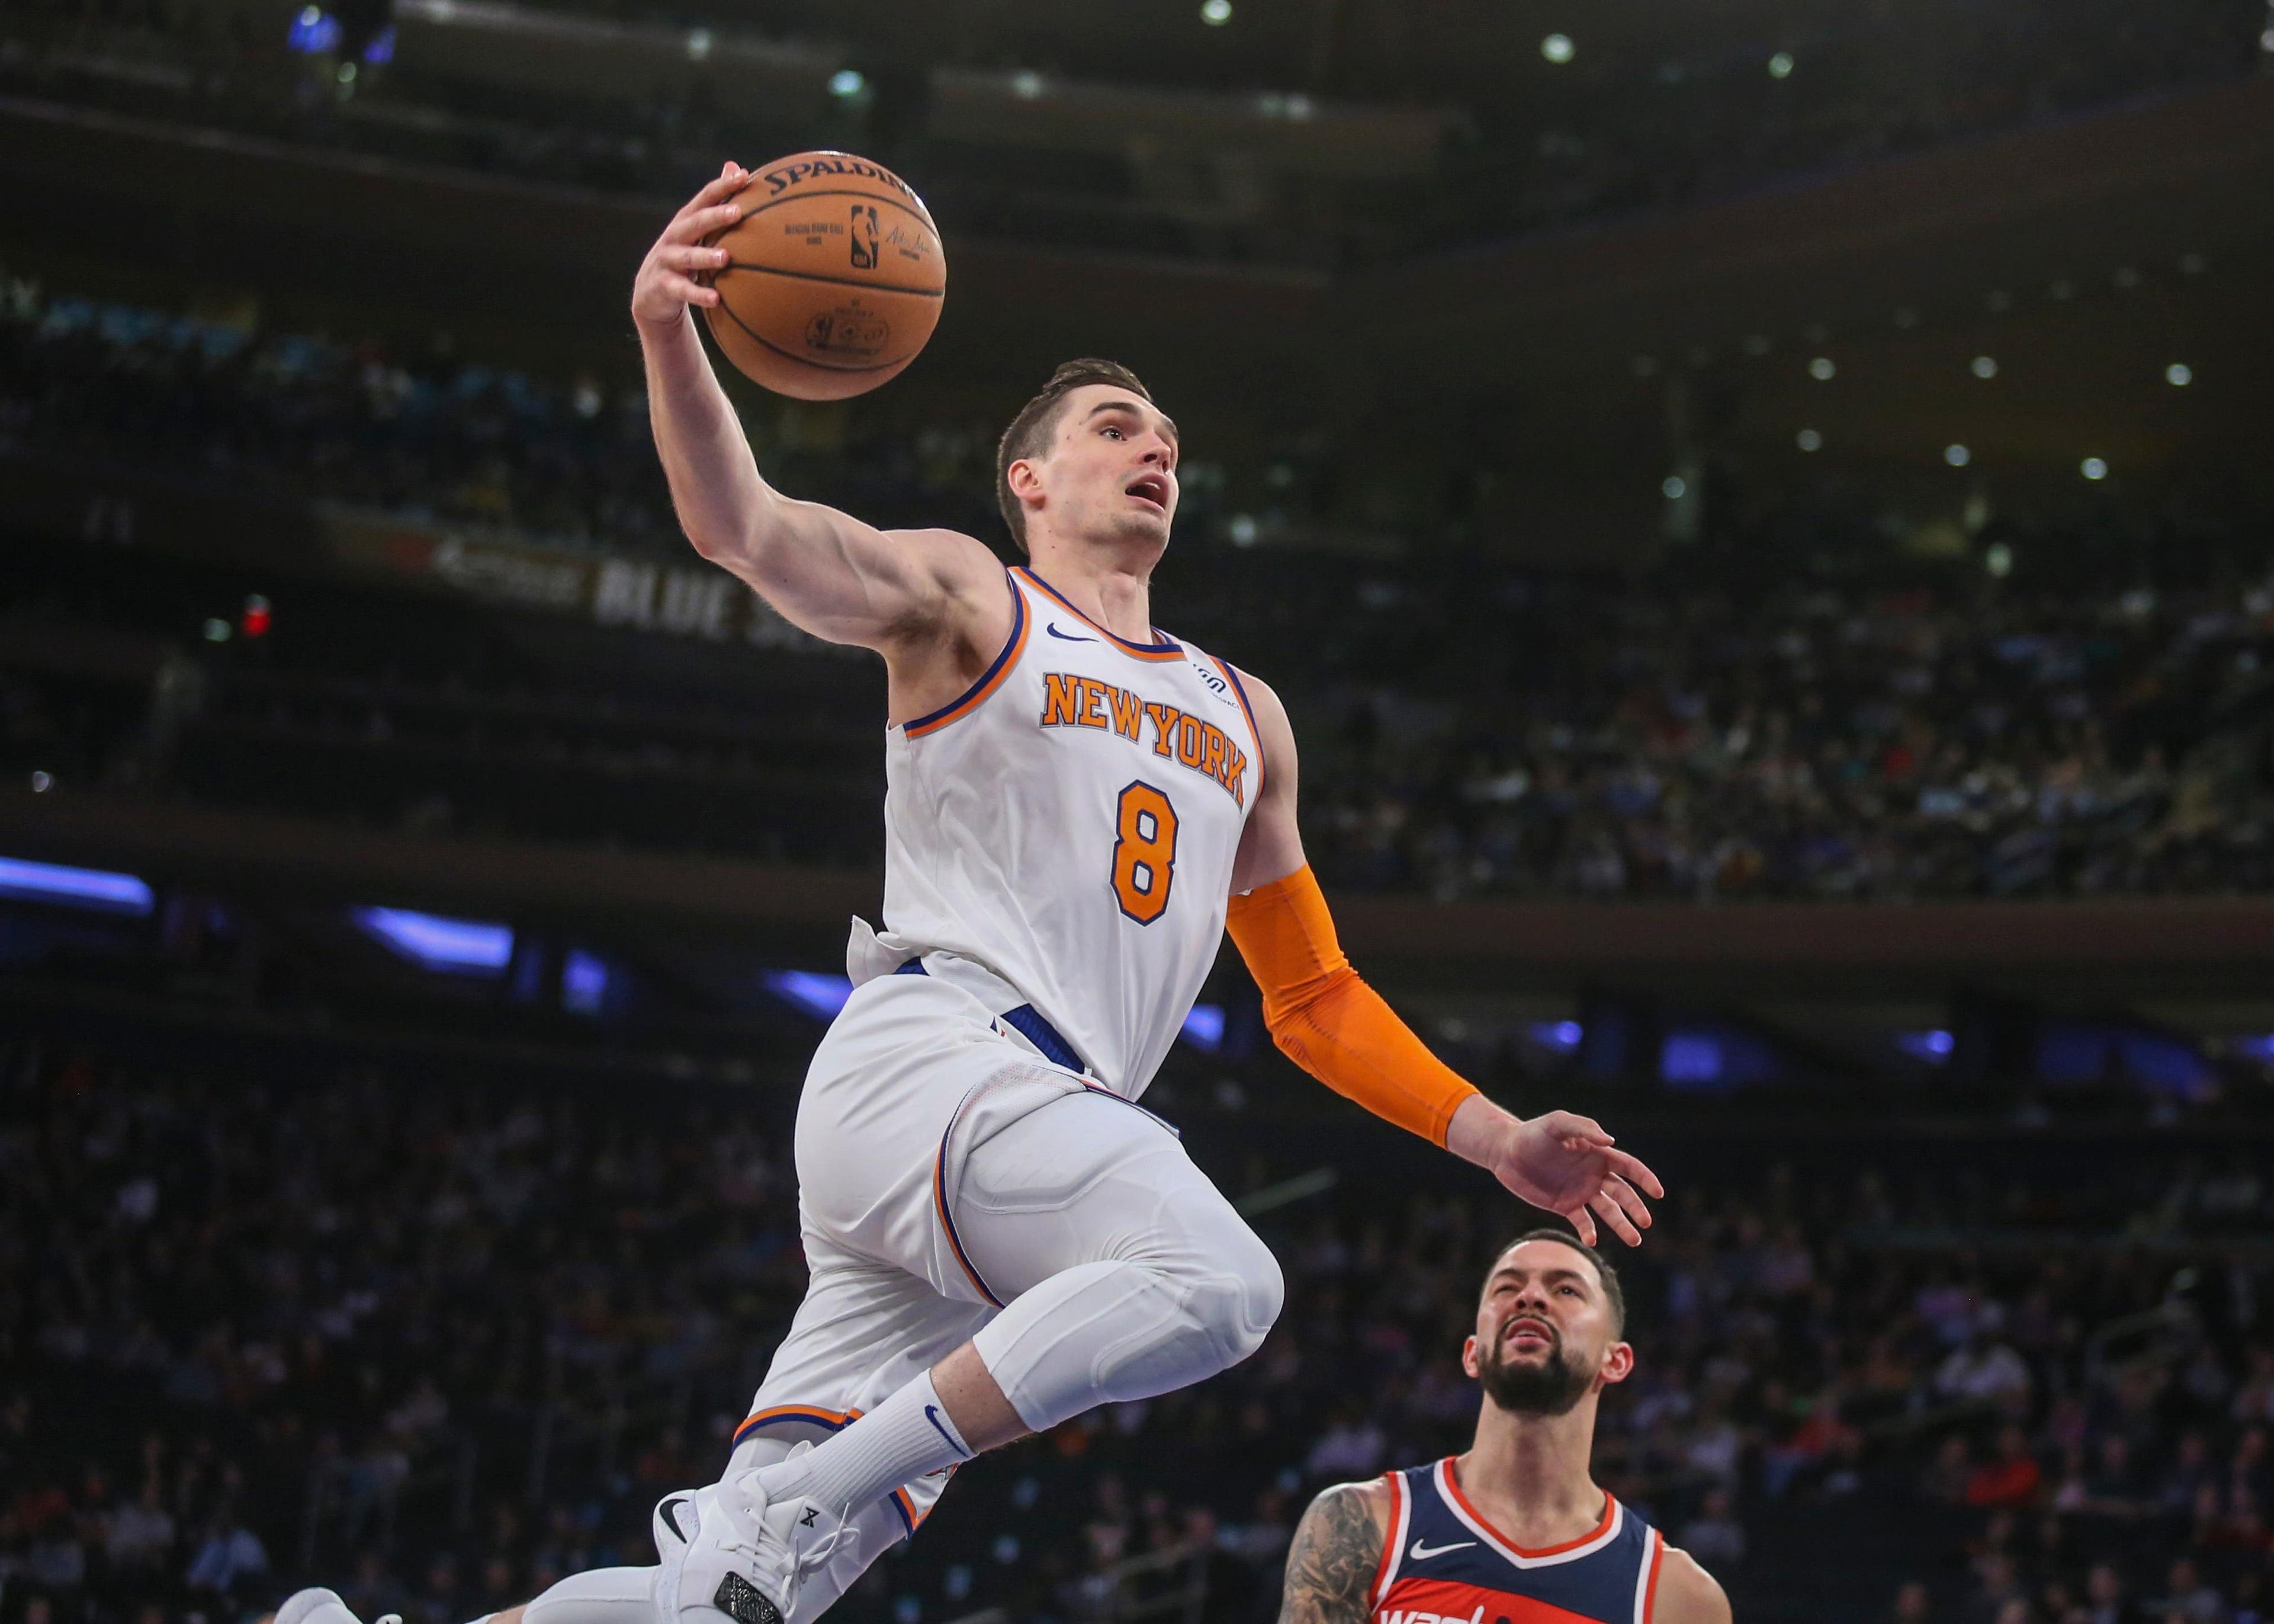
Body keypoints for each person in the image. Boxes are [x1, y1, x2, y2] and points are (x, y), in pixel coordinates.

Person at [279, 162, 1662, 1624]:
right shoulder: (973, 598)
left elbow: (1310, 995)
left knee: (723, 1603)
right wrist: (667, 333)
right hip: (940, 1061)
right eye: (1115, 427)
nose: (1155, 451)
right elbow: (740, 526)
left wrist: (1500, 1134)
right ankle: (810, 1490)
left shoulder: (1244, 709)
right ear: (1029, 479)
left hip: (1013, 1166)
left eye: (1170, 439)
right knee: (1216, 1277)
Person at [1276, 1231, 1728, 1624]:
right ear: (1471, 1352)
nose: (1530, 1297)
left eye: (1567, 1290)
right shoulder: (1362, 1520)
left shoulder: (1678, 1595)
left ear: (1616, 1360)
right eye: (1507, 1287)